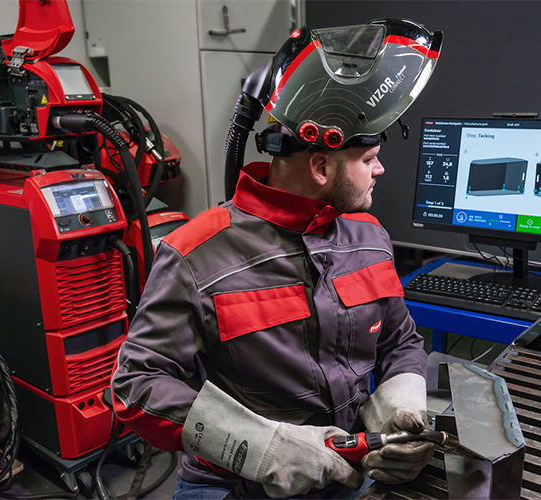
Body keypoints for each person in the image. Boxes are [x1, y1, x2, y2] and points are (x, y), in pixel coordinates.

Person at [111, 18, 443, 499]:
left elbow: (399, 340)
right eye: (369, 158)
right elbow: (136, 386)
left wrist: (402, 398)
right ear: (321, 164)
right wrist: (259, 446)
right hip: (234, 484)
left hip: (349, 468)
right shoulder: (195, 254)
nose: (381, 168)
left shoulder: (369, 238)